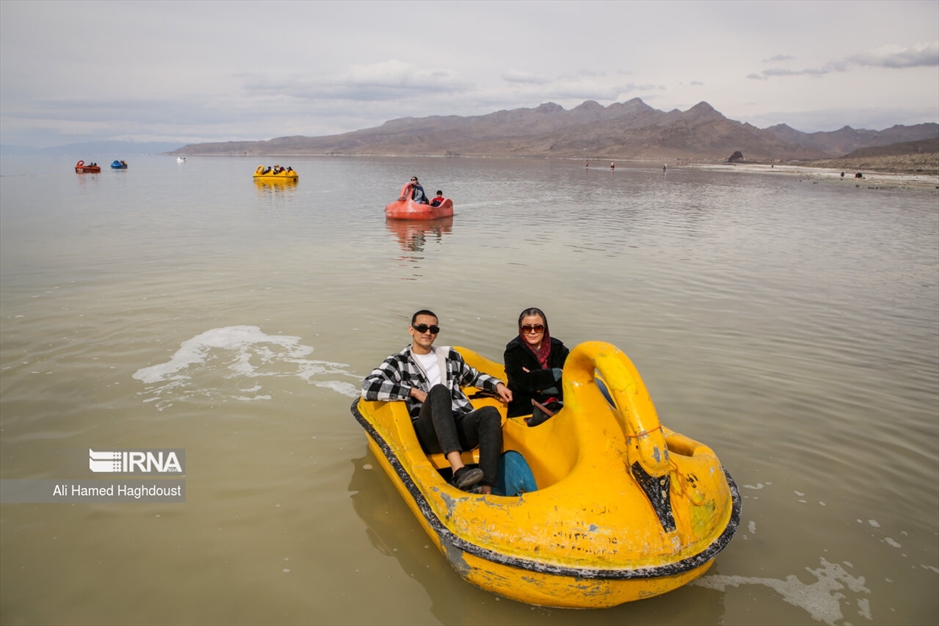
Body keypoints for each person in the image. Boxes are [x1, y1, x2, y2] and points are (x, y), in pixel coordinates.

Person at [361, 310, 512, 493]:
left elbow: (473, 376)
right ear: (411, 330)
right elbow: (369, 386)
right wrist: (413, 392)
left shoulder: (449, 356)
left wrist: (497, 385)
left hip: (457, 424)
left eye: (433, 329)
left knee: (489, 413)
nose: (428, 332)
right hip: (427, 432)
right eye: (422, 328)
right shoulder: (399, 362)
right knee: (439, 391)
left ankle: (486, 488)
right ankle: (458, 470)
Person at [503, 307, 570, 426]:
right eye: (527, 328)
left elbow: (569, 379)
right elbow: (521, 384)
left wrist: (536, 382)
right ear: (521, 329)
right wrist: (556, 373)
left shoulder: (558, 348)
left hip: (560, 403)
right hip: (526, 407)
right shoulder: (513, 351)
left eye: (538, 328)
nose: (533, 332)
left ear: (545, 328)